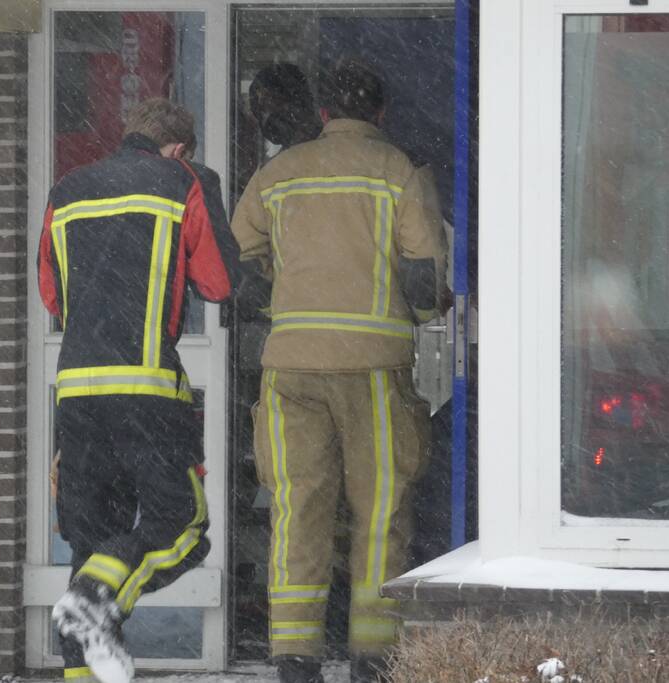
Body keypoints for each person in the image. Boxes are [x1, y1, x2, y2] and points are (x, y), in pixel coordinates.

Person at [230, 58, 449, 683]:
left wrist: (289, 289)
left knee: (298, 506)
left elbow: (241, 260)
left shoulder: (278, 174)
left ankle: (294, 658)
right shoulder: (398, 171)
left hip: (290, 369)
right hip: (374, 370)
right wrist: (428, 307)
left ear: (324, 113)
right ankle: (370, 658)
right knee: (380, 510)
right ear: (380, 113)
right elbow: (424, 276)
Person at [38, 98, 233, 683]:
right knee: (182, 528)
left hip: (76, 391)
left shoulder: (67, 190)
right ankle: (97, 595)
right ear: (179, 148)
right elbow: (220, 282)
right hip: (146, 388)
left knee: (94, 537)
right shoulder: (181, 181)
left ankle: (83, 663)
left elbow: (52, 296)